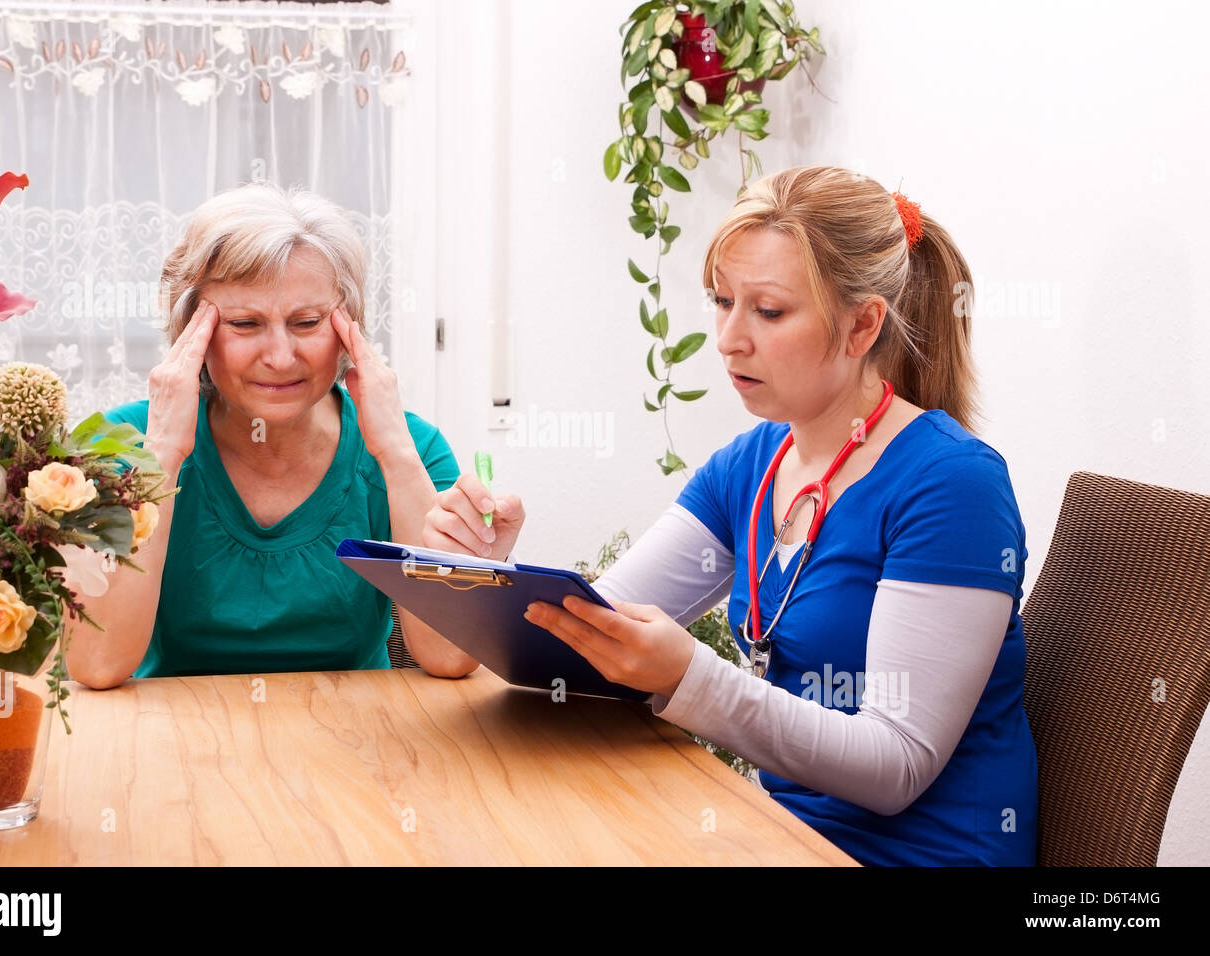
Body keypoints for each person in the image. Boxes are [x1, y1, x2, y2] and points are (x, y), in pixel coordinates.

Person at [423, 166, 1037, 866]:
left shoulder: (952, 486)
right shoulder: (752, 466)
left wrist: (692, 677)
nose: (728, 339)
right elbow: (592, 640)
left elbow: (896, 767)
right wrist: (483, 574)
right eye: (722, 302)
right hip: (776, 833)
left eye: (768, 312)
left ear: (864, 323)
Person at [67, 183, 477, 687]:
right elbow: (98, 664)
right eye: (245, 322)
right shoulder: (120, 442)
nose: (281, 357)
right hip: (171, 739)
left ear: (350, 326)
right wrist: (162, 457)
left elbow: (451, 656)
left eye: (307, 322)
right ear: (190, 329)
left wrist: (395, 454)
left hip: (359, 739)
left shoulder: (413, 447)